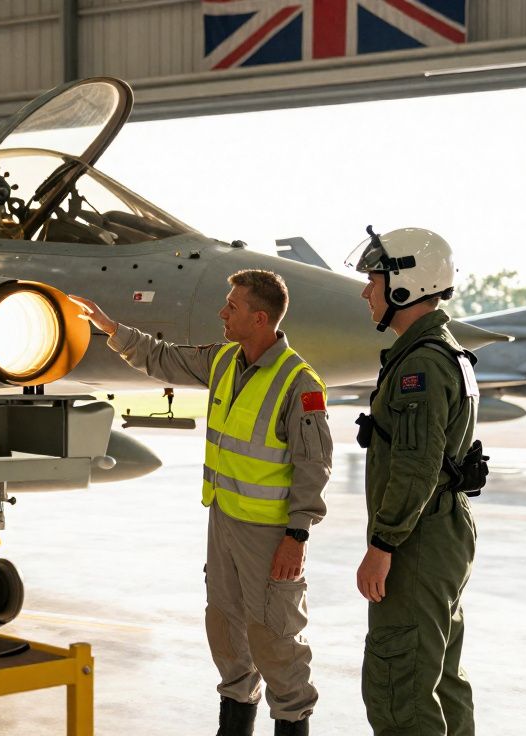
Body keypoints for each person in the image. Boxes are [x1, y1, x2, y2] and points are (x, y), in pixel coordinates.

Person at [70, 270, 332, 736]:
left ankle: (292, 723)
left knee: (276, 640)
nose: (221, 313)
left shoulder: (299, 383)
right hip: (224, 522)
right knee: (227, 633)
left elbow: (314, 467)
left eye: (231, 307)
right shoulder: (224, 359)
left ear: (260, 317)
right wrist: (113, 329)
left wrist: (297, 535)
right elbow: (163, 359)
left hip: (271, 535)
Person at [346, 226, 482, 736]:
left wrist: (383, 544)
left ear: (405, 285)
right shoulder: (442, 351)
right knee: (440, 677)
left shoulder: (421, 366)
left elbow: (415, 464)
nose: (365, 292)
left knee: (399, 685)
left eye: (373, 281)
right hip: (441, 532)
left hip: (417, 540)